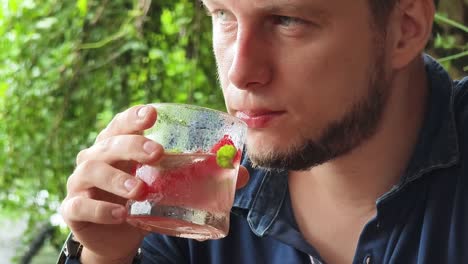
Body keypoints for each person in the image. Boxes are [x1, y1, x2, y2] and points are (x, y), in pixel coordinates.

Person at [58, 0, 468, 263]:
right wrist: (104, 254)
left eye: (287, 20)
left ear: (406, 28)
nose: (239, 73)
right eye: (223, 15)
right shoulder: (189, 196)